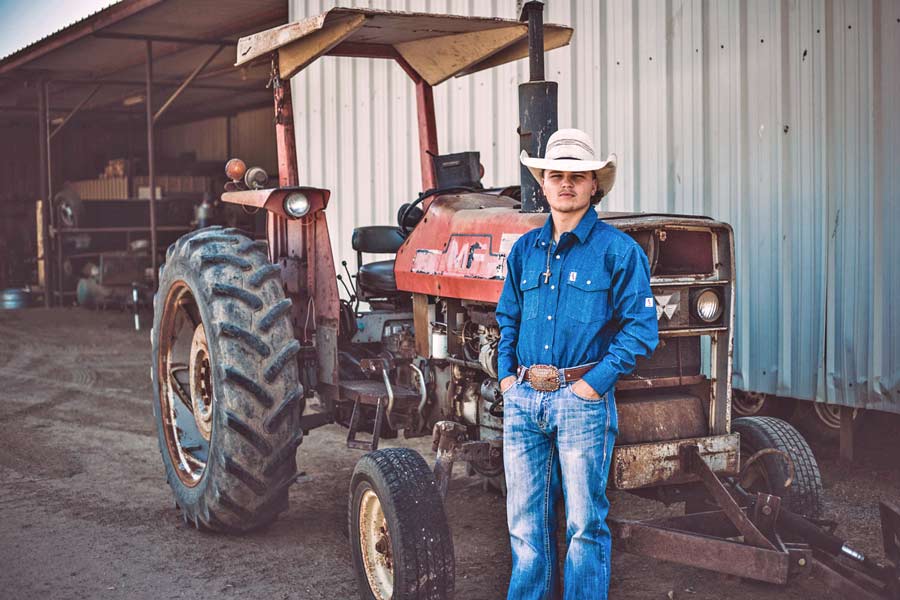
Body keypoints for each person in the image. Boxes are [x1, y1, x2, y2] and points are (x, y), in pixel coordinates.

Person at [496, 128, 659, 599]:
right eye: (556, 175)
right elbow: (508, 317)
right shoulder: (525, 250)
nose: (565, 184)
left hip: (580, 401)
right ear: (543, 185)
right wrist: (508, 379)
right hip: (525, 399)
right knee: (526, 525)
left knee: (585, 524)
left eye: (577, 176)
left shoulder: (617, 251)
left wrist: (594, 385)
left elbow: (641, 330)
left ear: (594, 186)